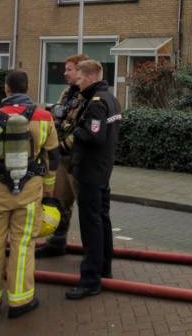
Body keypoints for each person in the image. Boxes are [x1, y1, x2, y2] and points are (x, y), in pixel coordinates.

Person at [0, 70, 60, 318]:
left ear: (6, 89)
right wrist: (48, 190)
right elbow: (53, 157)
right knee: (23, 245)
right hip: (30, 193)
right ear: (27, 87)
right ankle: (20, 301)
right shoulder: (44, 117)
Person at [66, 59, 121, 299]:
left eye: (79, 78)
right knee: (102, 219)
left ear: (89, 77)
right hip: (103, 170)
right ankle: (104, 267)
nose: (77, 83)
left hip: (90, 170)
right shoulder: (111, 99)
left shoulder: (97, 103)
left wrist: (75, 130)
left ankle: (90, 280)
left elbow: (94, 136)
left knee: (91, 225)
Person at [36, 54, 89, 258]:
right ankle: (57, 242)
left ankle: (92, 251)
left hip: (78, 161)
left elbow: (84, 129)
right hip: (61, 158)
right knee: (59, 201)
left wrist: (62, 146)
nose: (65, 73)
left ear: (81, 71)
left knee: (86, 207)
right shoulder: (67, 93)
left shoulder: (89, 96)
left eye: (69, 69)